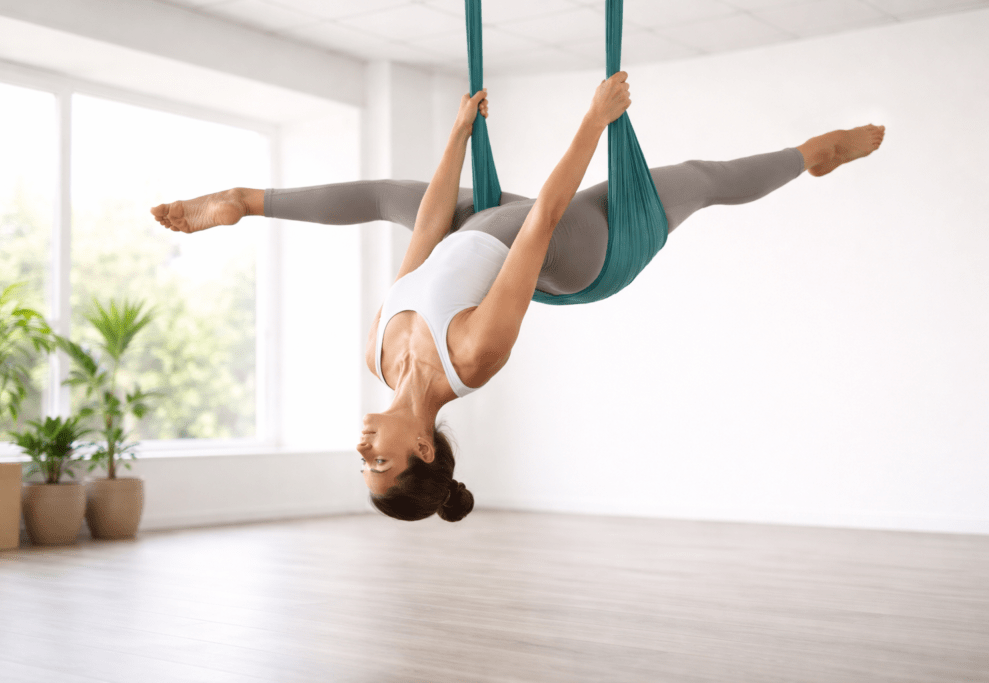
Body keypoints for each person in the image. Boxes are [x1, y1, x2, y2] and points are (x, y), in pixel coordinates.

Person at [151, 72, 885, 523]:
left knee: (394, 197)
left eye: (362, 462)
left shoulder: (380, 349)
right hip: (580, 250)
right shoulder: (472, 356)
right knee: (700, 177)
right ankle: (813, 153)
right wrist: (594, 123)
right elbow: (540, 226)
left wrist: (456, 135)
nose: (363, 448)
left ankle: (244, 200)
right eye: (379, 462)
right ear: (422, 448)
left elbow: (429, 231)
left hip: (480, 226)